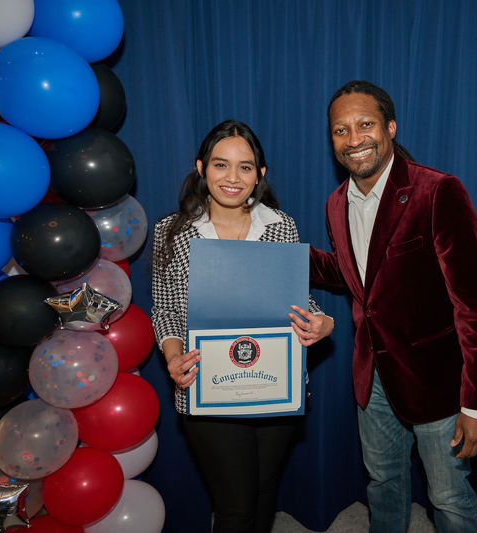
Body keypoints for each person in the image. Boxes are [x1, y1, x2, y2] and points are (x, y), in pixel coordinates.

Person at [309, 81, 477, 533]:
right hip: (371, 378)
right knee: (382, 483)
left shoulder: (437, 191)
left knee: (449, 498)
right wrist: (279, 256)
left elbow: (476, 306)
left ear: (390, 127)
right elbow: (355, 274)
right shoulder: (336, 204)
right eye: (341, 130)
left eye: (365, 124)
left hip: (437, 380)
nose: (354, 139)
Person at [151, 120, 334, 533]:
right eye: (221, 164)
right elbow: (163, 312)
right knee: (234, 507)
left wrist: (321, 320)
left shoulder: (280, 226)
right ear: (201, 168)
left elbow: (296, 299)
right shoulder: (171, 232)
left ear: (260, 175)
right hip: (205, 386)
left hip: (276, 385)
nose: (232, 178)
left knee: (264, 495)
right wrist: (173, 357)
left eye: (245, 167)